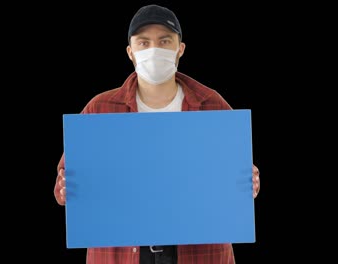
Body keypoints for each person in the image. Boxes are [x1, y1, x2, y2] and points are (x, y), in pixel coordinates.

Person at [54, 4, 260, 264]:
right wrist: (66, 190)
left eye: (164, 41)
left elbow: (236, 175)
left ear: (180, 49)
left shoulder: (212, 105)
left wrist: (247, 184)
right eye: (144, 42)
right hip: (122, 252)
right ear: (130, 52)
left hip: (198, 251)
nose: (154, 50)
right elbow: (64, 180)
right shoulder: (99, 109)